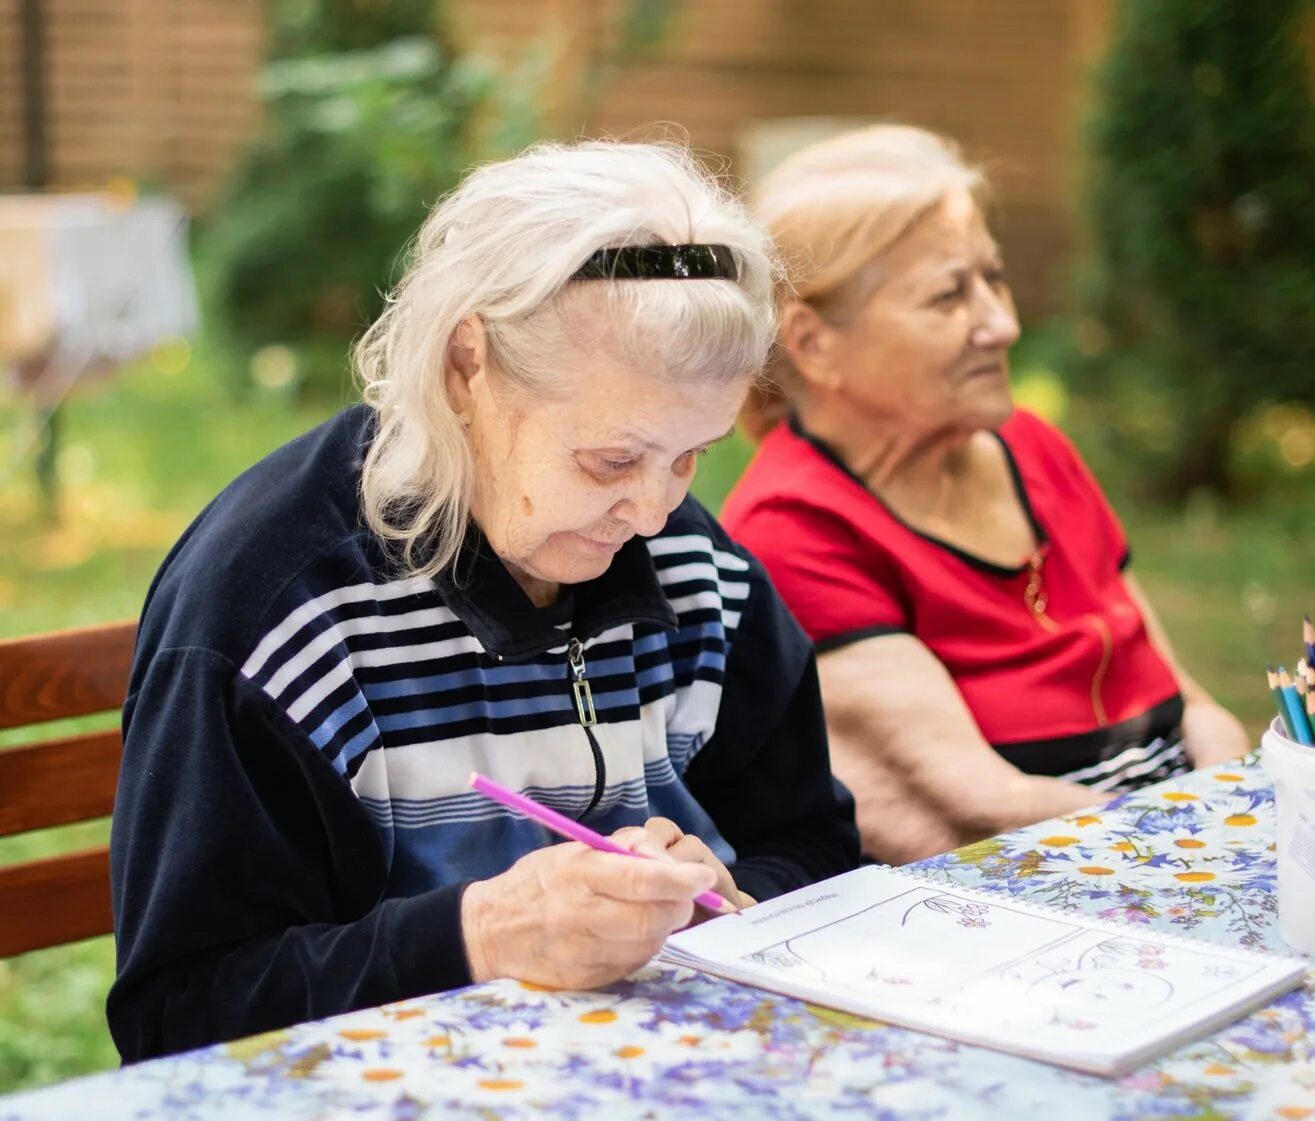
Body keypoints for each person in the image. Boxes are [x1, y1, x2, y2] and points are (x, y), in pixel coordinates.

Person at [108, 141, 860, 1061]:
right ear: (468, 366)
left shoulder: (696, 570)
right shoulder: (278, 614)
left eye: (693, 453)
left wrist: (730, 886)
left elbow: (814, 841)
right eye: (612, 460)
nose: (658, 508)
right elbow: (180, 1012)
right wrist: (479, 934)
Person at [721, 125, 1248, 865]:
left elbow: (1183, 693)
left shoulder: (1033, 447)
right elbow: (979, 802)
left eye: (992, 279)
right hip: (1055, 869)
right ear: (812, 343)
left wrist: (1237, 795)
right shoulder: (796, 527)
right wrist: (1201, 839)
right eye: (948, 297)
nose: (1003, 324)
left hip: (1176, 823)